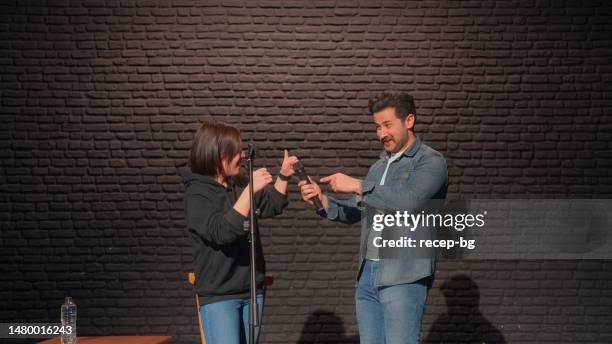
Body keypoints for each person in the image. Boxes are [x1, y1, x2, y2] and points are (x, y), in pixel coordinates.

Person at [299, 93, 448, 344]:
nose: (381, 134)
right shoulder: (379, 166)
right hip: (367, 272)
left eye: (388, 125)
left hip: (404, 274)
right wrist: (324, 201)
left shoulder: (430, 161)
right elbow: (359, 210)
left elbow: (409, 201)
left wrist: (357, 184)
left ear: (409, 120)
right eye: (377, 127)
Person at [182, 121, 298, 344]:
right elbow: (223, 232)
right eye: (236, 151)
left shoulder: (238, 184)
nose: (242, 155)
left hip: (251, 291)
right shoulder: (197, 193)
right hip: (220, 296)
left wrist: (283, 176)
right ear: (218, 154)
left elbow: (272, 205)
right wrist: (248, 192)